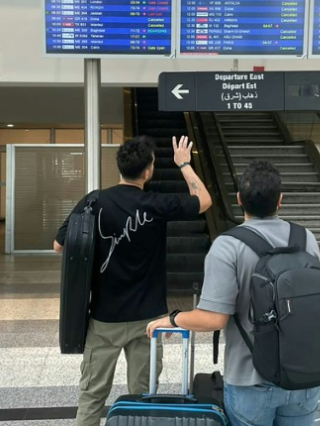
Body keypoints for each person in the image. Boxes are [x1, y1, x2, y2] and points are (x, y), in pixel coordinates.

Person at [146, 160, 320, 426]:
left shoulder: (228, 245)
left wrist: (173, 319)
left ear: (239, 199)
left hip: (250, 381)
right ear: (280, 201)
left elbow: (214, 319)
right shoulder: (305, 238)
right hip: (304, 376)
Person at [55, 135, 212, 426]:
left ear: (119, 167)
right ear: (149, 170)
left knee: (92, 396)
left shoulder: (94, 201)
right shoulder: (157, 204)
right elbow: (204, 200)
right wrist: (185, 164)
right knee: (142, 398)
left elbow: (59, 245)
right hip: (148, 321)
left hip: (104, 319)